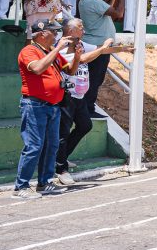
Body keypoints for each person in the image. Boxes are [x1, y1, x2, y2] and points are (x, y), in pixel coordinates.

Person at [55, 18, 131, 185]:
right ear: (70, 31)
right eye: (80, 27)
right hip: (66, 96)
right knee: (63, 133)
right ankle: (60, 169)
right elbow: (82, 59)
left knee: (85, 125)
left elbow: (100, 51)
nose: (84, 30)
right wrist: (103, 48)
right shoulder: (62, 46)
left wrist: (122, 48)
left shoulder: (81, 44)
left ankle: (62, 157)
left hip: (79, 97)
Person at [13, 19, 73, 199]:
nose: (56, 35)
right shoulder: (29, 50)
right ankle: (20, 187)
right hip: (35, 104)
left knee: (51, 145)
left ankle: (44, 182)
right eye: (53, 32)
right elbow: (37, 69)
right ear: (41, 33)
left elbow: (69, 69)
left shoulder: (48, 51)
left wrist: (77, 54)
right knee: (34, 146)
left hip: (52, 105)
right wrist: (57, 49)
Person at [78, 0, 124, 117]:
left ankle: (86, 109)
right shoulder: (93, 1)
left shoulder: (88, 0)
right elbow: (118, 14)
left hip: (94, 44)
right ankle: (88, 110)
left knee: (92, 78)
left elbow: (104, 10)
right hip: (99, 46)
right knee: (95, 79)